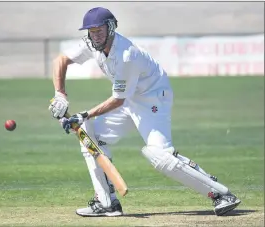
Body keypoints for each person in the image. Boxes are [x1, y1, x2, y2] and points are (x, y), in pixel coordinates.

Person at [48, 7, 241, 217]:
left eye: (100, 30)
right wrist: (60, 94)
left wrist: (83, 114)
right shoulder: (90, 43)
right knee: (89, 134)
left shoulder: (126, 54)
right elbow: (61, 60)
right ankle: (106, 202)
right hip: (130, 98)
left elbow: (118, 100)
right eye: (91, 31)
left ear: (111, 28)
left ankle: (222, 195)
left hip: (153, 98)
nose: (96, 36)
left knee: (159, 156)